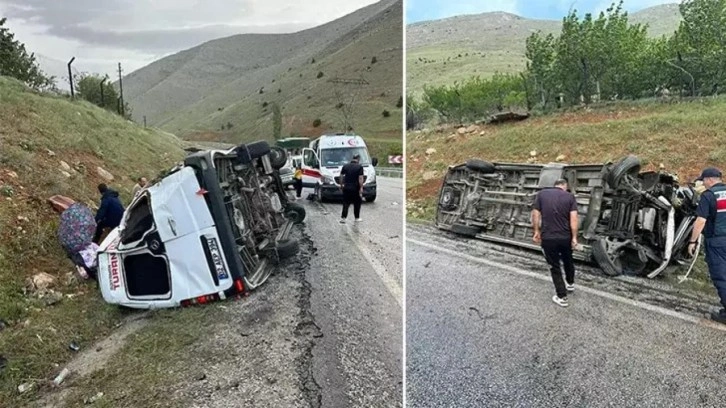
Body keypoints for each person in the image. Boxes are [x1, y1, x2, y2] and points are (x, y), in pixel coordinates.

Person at [531, 179, 579, 307]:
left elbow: (535, 214)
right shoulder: (570, 196)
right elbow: (574, 219)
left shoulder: (541, 194)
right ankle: (570, 283)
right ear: (564, 186)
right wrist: (574, 238)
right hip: (565, 237)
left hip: (549, 237)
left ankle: (561, 296)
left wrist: (536, 231)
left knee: (554, 266)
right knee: (568, 260)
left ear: (555, 185)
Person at [688, 167, 726, 324]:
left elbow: (700, 221)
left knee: (721, 276)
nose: (703, 183)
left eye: (703, 180)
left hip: (716, 242)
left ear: (710, 179)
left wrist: (693, 241)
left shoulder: (708, 196)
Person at [339, 154, 364, 224]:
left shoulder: (345, 166)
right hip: (355, 188)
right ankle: (357, 217)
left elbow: (341, 176)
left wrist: (341, 185)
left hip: (346, 187)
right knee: (357, 203)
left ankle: (343, 218)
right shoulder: (359, 167)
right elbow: (360, 178)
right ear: (358, 159)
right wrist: (361, 187)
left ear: (352, 159)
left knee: (346, 203)